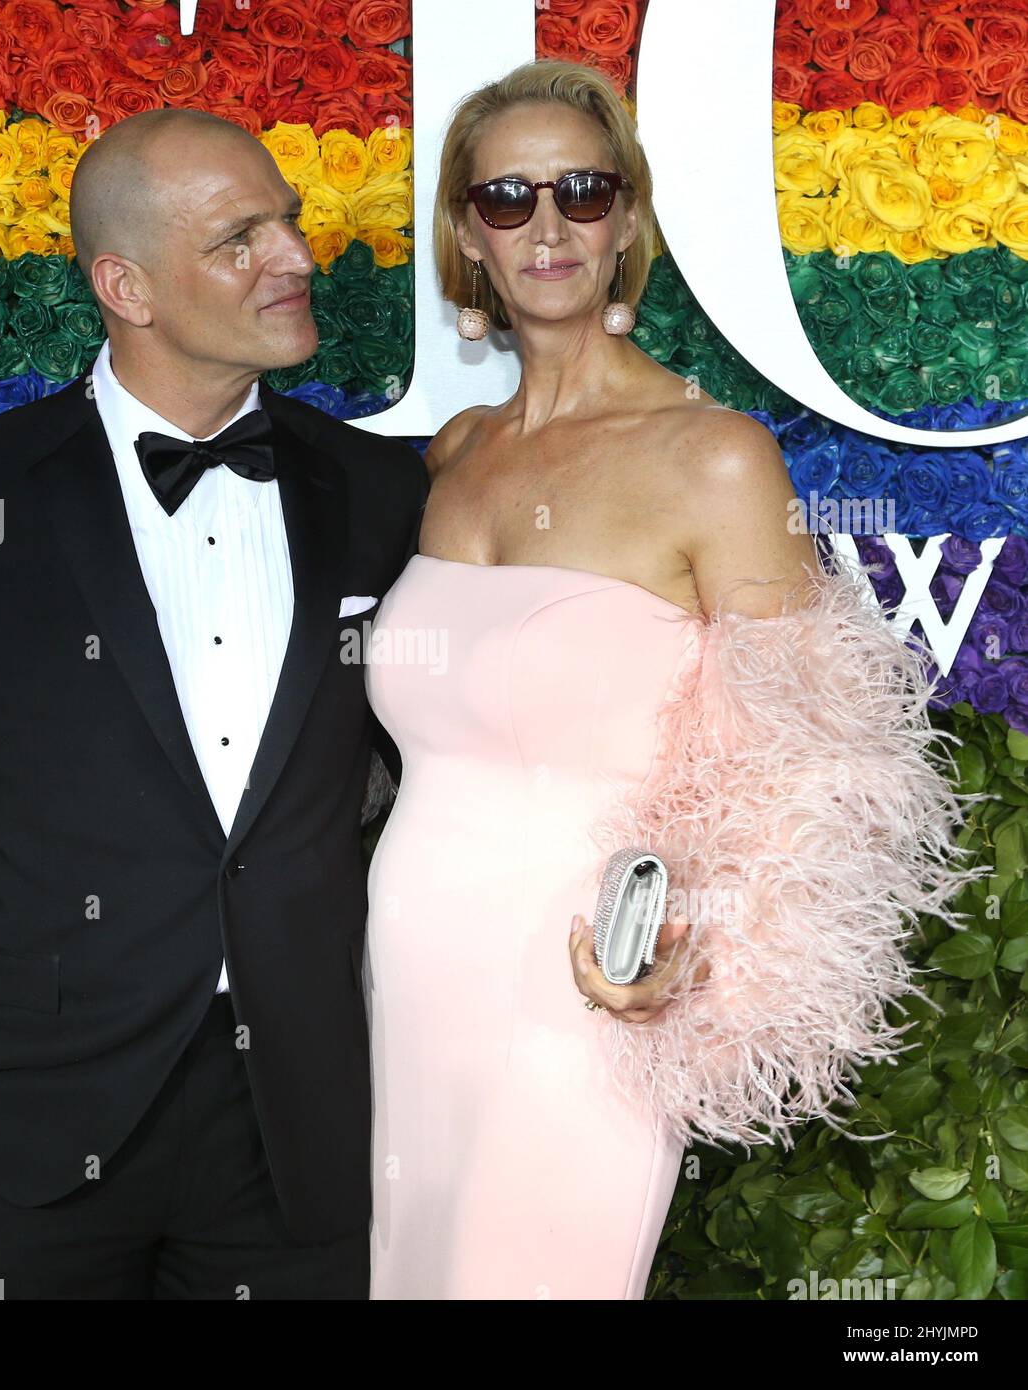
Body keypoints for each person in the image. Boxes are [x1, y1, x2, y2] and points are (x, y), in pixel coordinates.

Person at [363, 58, 980, 1299]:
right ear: (464, 237)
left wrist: (697, 951)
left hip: (587, 984)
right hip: (407, 972)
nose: (548, 226)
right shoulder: (456, 453)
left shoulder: (713, 458)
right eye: (506, 198)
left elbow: (817, 773)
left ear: (628, 222)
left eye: (583, 192)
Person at [0, 107, 427, 1299]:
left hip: (301, 1132)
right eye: (240, 239)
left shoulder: (380, 487)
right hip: (21, 1135)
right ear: (125, 284)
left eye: (286, 221)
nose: (295, 257)